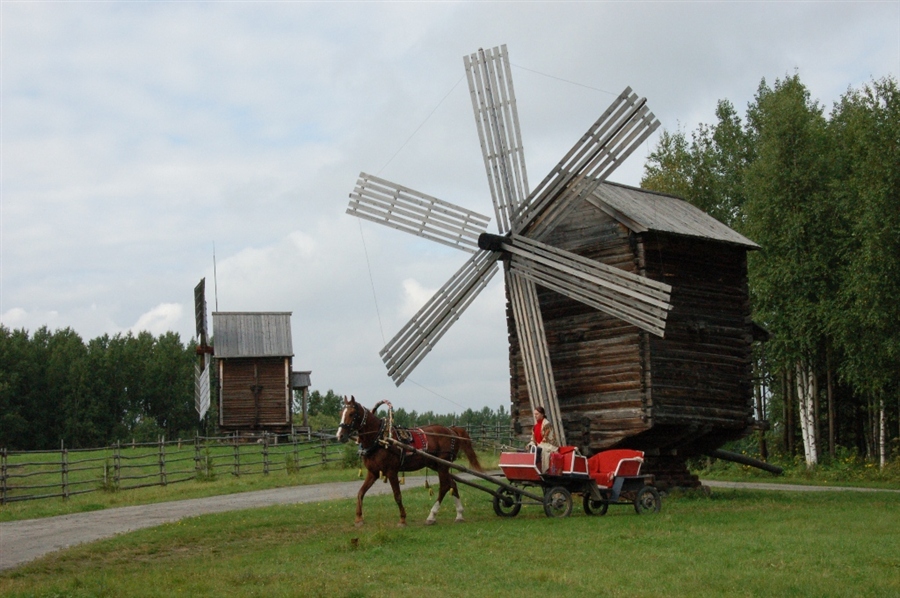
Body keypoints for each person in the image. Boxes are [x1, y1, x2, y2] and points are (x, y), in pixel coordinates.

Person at [528, 406, 558, 471]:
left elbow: (546, 439)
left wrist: (536, 446)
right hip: (539, 445)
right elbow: (533, 440)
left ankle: (538, 469)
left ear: (542, 414)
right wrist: (531, 444)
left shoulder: (547, 425)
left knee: (537, 450)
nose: (535, 416)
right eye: (534, 414)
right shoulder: (535, 427)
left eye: (537, 414)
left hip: (548, 446)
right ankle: (530, 468)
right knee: (529, 449)